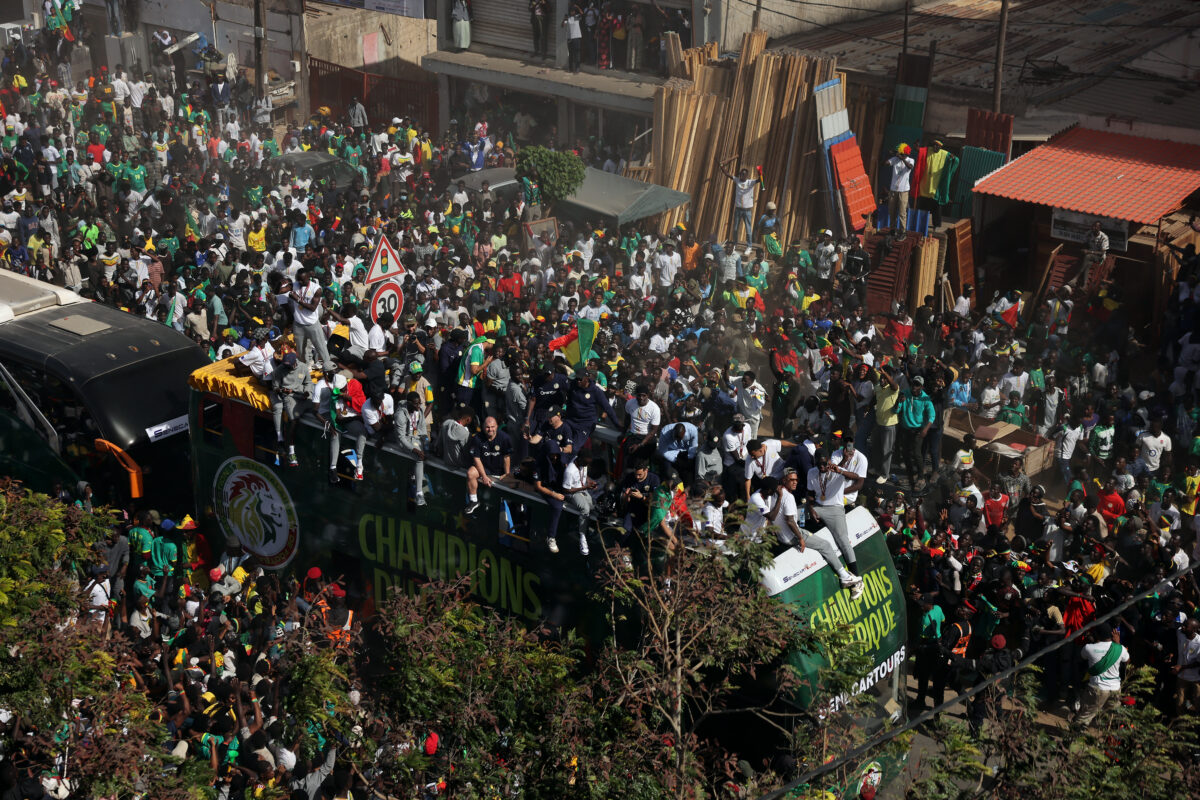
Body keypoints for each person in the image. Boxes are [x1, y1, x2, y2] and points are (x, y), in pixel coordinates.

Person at [804, 450, 866, 597]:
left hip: (834, 509)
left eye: (825, 464)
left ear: (829, 462)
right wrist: (811, 509)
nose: (822, 467)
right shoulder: (812, 472)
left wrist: (840, 471)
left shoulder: (837, 470)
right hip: (818, 507)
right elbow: (810, 494)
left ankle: (856, 579)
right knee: (799, 516)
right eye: (819, 464)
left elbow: (857, 479)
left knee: (843, 540)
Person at [1074, 623, 1130, 728]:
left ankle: (1073, 737)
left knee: (1084, 717)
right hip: (1115, 689)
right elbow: (1127, 661)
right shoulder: (1120, 648)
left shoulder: (1088, 648)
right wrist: (1118, 643)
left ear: (1096, 635)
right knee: (1112, 718)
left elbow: (1081, 657)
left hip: (1097, 689)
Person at [466, 416, 512, 513]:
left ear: (497, 426)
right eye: (487, 427)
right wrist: (484, 476)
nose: (490, 429)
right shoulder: (477, 438)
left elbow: (506, 457)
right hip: (484, 468)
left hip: (499, 470)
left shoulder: (505, 438)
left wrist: (508, 474)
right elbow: (476, 458)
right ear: (483, 427)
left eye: (492, 426)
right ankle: (474, 501)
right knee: (470, 473)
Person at [270, 351, 308, 466]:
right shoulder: (278, 370)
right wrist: (281, 390)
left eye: (289, 365)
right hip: (281, 394)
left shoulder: (303, 367)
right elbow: (275, 387)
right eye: (285, 365)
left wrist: (305, 392)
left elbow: (308, 383)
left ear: (295, 362)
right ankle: (280, 439)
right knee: (278, 407)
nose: (287, 367)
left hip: (297, 395)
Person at [720, 164, 757, 244]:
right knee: (735, 228)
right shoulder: (737, 180)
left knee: (748, 229)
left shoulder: (750, 182)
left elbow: (759, 180)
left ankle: (749, 246)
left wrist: (761, 174)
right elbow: (727, 174)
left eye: (744, 174)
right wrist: (722, 167)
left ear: (747, 175)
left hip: (747, 210)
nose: (742, 176)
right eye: (741, 174)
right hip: (738, 209)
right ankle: (735, 244)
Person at [886, 143, 915, 232]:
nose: (899, 155)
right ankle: (892, 229)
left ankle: (903, 231)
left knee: (902, 213)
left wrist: (902, 159)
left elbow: (910, 167)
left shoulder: (911, 160)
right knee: (892, 212)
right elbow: (885, 163)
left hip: (904, 191)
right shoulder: (895, 159)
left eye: (901, 153)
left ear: (905, 154)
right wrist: (889, 154)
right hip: (893, 190)